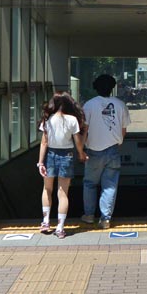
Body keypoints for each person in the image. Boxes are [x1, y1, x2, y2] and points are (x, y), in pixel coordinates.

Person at [81, 74, 131, 229]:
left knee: (90, 184)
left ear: (95, 87)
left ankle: (89, 215)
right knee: (109, 185)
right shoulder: (120, 104)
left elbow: (85, 130)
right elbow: (123, 131)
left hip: (93, 150)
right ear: (112, 88)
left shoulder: (88, 105)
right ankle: (105, 219)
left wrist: (81, 149)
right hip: (113, 149)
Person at [36, 92, 87, 239]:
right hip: (67, 156)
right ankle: (60, 227)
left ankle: (45, 222)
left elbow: (44, 142)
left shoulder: (48, 119)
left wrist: (40, 162)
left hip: (50, 155)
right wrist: (81, 154)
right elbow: (77, 141)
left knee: (47, 189)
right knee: (62, 193)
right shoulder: (72, 120)